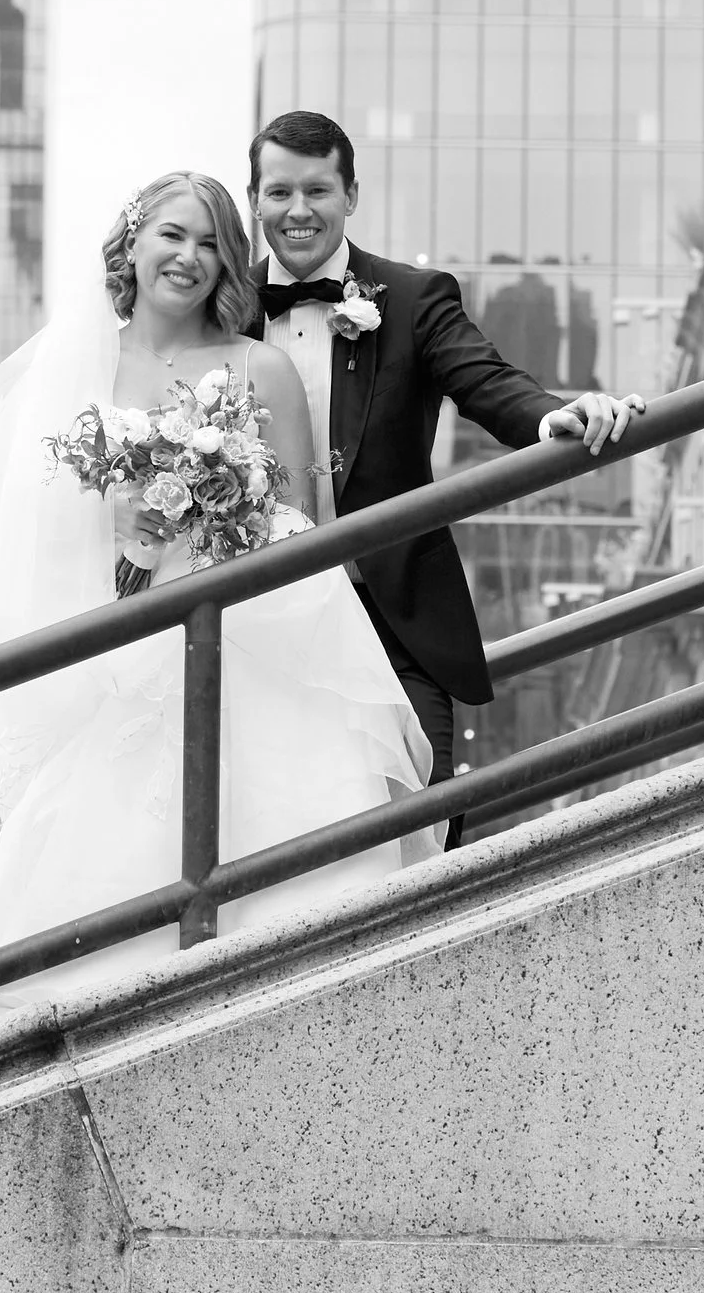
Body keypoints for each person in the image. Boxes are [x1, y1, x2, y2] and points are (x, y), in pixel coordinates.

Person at [0, 171, 439, 1012]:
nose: (190, 257)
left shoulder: (258, 367)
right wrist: (126, 536)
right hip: (122, 643)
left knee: (291, 857)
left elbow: (301, 525)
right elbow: (26, 531)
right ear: (133, 242)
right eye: (173, 234)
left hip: (254, 635)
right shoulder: (68, 370)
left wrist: (219, 512)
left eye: (210, 242)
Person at [247, 111, 645, 845]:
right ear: (254, 199)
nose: (297, 211)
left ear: (351, 194)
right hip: (264, 630)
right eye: (278, 192)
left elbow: (488, 381)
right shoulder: (227, 314)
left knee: (423, 824)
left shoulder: (414, 299)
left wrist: (553, 416)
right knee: (279, 837)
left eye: (317, 190)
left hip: (392, 612)